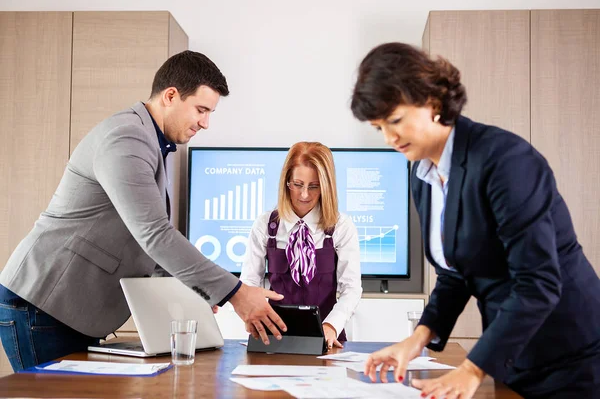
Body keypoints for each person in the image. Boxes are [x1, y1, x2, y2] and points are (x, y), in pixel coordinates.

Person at [0, 50, 286, 372]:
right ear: (171, 95)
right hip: (44, 300)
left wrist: (193, 290)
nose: (205, 123)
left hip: (71, 307)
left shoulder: (152, 142)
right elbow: (155, 235)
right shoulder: (127, 137)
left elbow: (143, 243)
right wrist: (235, 293)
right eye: (201, 110)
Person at [350, 42, 600, 398]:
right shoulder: (422, 174)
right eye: (379, 128)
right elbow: (457, 272)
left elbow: (538, 281)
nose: (390, 138)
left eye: (395, 121)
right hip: (513, 353)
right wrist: (416, 340)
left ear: (432, 102)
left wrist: (471, 370)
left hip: (570, 354)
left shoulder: (505, 161)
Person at [240, 142, 362, 350]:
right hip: (274, 336)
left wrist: (332, 325)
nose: (304, 195)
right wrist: (251, 312)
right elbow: (250, 281)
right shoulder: (265, 226)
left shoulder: (341, 226)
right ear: (287, 182)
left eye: (314, 186)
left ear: (326, 187)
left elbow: (351, 288)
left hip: (327, 337)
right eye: (298, 184)